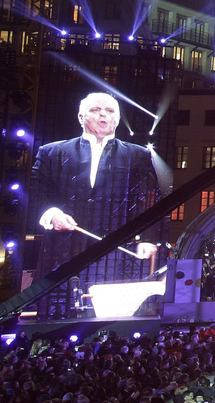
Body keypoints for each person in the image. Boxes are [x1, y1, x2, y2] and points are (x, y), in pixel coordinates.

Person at [30, 91, 162, 290]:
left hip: (115, 254)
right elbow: (36, 191)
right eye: (96, 110)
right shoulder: (51, 152)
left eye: (110, 111)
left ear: (117, 119)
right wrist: (53, 214)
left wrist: (147, 238)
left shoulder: (138, 155)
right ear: (81, 117)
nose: (103, 115)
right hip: (62, 251)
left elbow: (149, 199)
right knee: (55, 310)